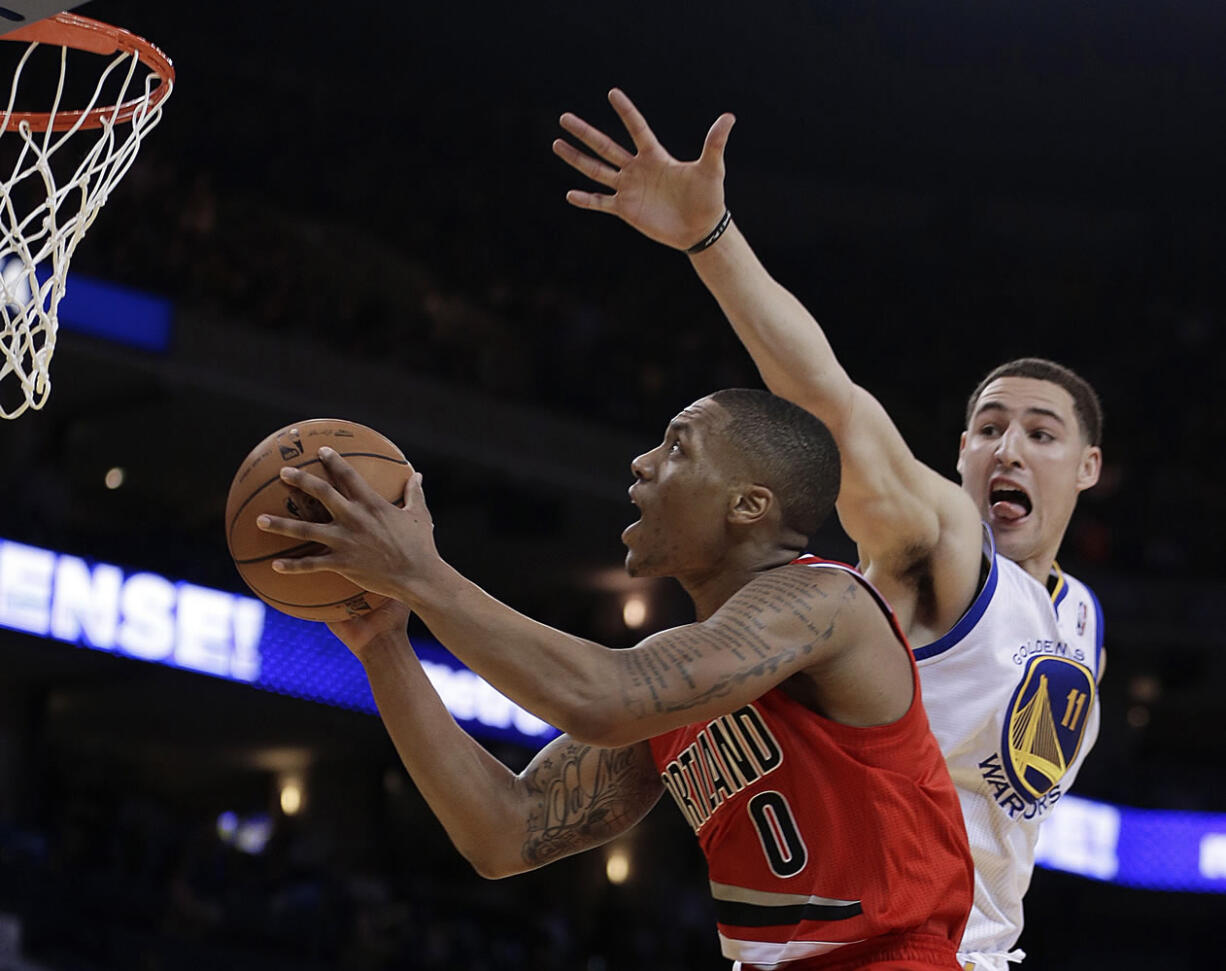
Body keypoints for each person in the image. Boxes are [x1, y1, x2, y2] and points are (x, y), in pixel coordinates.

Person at [552, 90, 1105, 971]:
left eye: (1041, 433)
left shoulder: (1080, 618)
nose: (1009, 448)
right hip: (867, 940)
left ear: (1087, 467)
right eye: (989, 427)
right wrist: (712, 239)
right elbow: (833, 407)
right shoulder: (943, 542)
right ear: (959, 454)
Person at [257, 389, 974, 970]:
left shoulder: (829, 602)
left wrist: (419, 571)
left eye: (676, 446)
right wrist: (385, 645)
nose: (641, 462)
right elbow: (505, 831)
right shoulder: (685, 672)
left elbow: (605, 697)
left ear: (749, 505)